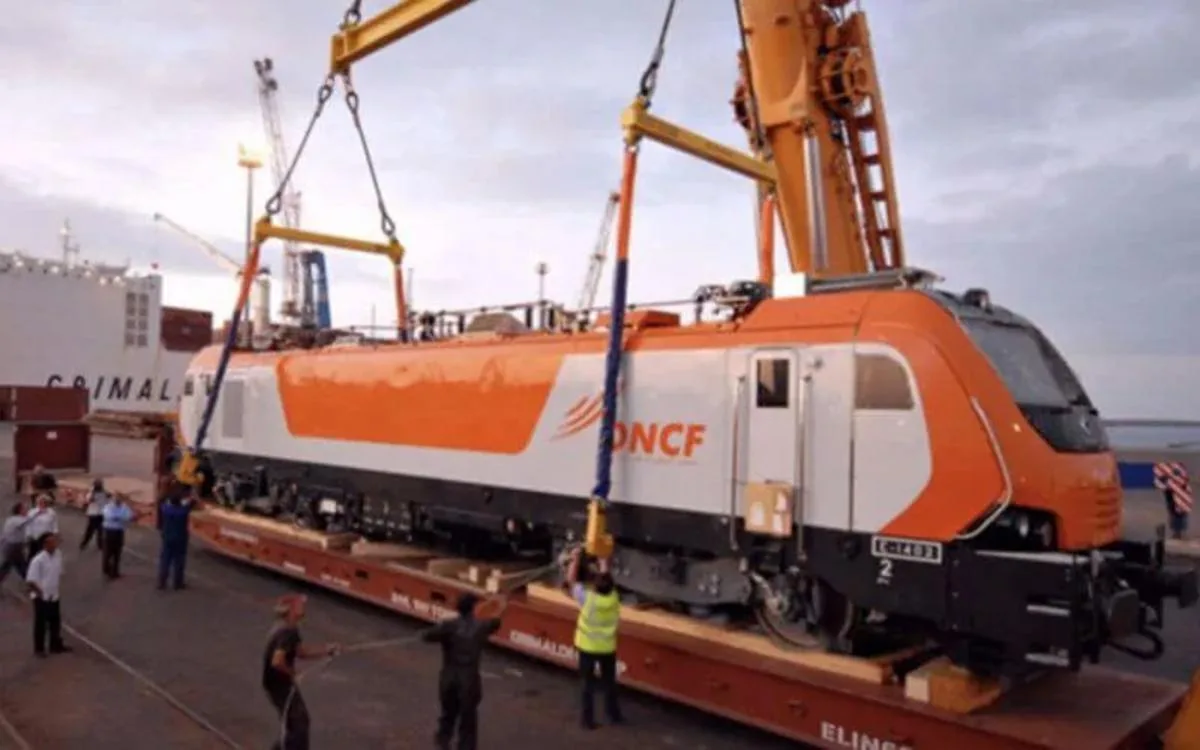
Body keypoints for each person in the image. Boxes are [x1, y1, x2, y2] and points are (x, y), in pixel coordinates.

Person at [420, 591, 506, 750]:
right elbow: (496, 621)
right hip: (469, 680)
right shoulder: (481, 627)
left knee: (448, 713)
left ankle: (443, 741)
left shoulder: (449, 626)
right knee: (468, 719)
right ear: (473, 608)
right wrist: (500, 606)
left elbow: (426, 636)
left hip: (449, 678)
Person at [262, 594, 339, 750]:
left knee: (296, 724)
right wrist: (292, 674)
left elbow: (301, 652)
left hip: (276, 683)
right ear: (290, 609)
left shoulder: (287, 628)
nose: (303, 606)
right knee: (299, 724)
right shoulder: (287, 632)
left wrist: (326, 650)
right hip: (279, 685)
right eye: (299, 604)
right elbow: (277, 661)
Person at [566, 547, 624, 730]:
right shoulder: (614, 599)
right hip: (607, 648)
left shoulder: (587, 599)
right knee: (609, 683)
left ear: (595, 587)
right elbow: (607, 580)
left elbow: (571, 581)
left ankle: (587, 720)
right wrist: (603, 561)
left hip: (587, 647)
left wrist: (575, 559)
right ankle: (613, 715)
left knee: (587, 685)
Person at [25, 532, 70, 656]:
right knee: (41, 623)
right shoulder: (38, 560)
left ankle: (55, 645)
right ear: (45, 544)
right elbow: (31, 580)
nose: (55, 544)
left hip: (54, 594)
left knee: (55, 621)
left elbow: (59, 572)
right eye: (52, 542)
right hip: (41, 597)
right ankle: (39, 649)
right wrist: (40, 594)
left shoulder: (58, 555)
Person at [157, 490, 195, 590]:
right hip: (180, 538)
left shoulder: (166, 509)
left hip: (167, 537)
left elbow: (161, 501)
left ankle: (162, 582)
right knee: (179, 561)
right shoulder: (183, 511)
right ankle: (178, 582)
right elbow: (191, 504)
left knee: (165, 560)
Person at [1154, 461, 1193, 540]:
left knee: (1177, 513)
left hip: (1177, 496)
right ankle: (1178, 533)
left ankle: (1178, 533)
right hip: (1174, 496)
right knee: (1176, 512)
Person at [100, 494, 134, 579]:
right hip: (109, 531)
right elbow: (109, 516)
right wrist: (121, 518)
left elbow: (129, 516)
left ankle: (115, 572)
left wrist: (119, 518)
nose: (117, 500)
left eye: (119, 498)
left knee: (117, 553)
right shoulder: (108, 507)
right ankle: (106, 569)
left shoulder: (124, 507)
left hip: (119, 532)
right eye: (116, 498)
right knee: (107, 552)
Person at [0, 501, 31, 586]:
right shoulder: (17, 520)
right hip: (13, 547)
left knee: (9, 565)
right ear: (20, 510)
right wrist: (39, 513)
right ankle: (31, 582)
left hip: (11, 546)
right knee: (19, 565)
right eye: (25, 509)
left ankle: (30, 581)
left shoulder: (12, 519)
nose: (27, 510)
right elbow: (27, 521)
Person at [24, 494, 58, 560]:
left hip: (46, 538)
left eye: (45, 502)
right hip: (35, 537)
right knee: (32, 554)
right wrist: (28, 534)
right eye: (41, 502)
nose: (43, 504)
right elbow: (28, 524)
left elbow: (54, 523)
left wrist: (55, 532)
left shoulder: (51, 513)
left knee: (44, 554)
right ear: (38, 502)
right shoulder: (32, 512)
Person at [80, 479, 108, 551]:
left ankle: (100, 545)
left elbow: (107, 502)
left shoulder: (104, 493)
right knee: (90, 530)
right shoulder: (91, 493)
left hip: (101, 514)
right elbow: (87, 500)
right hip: (93, 514)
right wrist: (91, 498)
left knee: (100, 531)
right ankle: (84, 543)